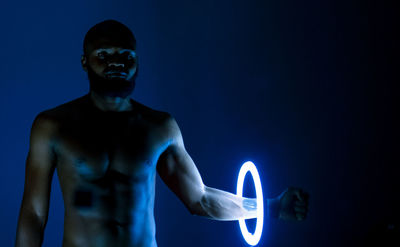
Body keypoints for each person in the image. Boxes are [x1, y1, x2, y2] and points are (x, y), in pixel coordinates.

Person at [15, 20, 309, 247]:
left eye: (125, 55)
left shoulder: (159, 127)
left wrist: (270, 207)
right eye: (103, 55)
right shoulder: (53, 126)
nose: (115, 62)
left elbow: (200, 198)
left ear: (137, 62)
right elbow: (34, 214)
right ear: (85, 62)